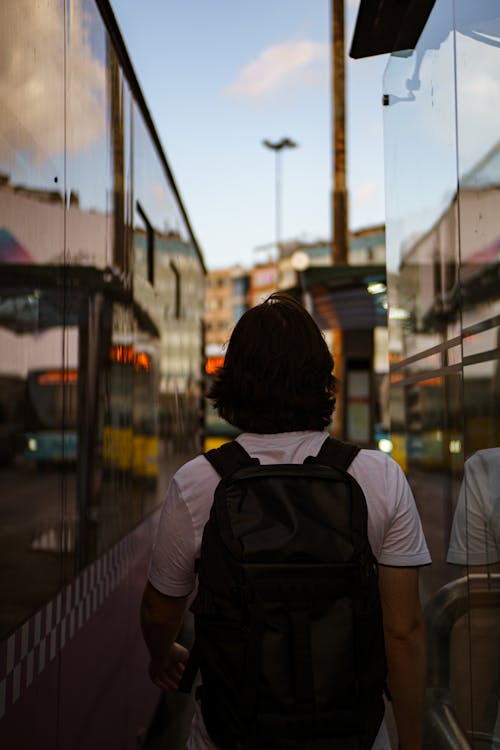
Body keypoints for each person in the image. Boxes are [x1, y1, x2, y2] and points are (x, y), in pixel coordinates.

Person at [141, 292, 431, 750]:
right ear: (322, 379)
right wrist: (411, 742)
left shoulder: (199, 482)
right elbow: (403, 631)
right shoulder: (378, 477)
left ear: (234, 381)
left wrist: (163, 655)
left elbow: (160, 611)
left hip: (230, 735)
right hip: (352, 735)